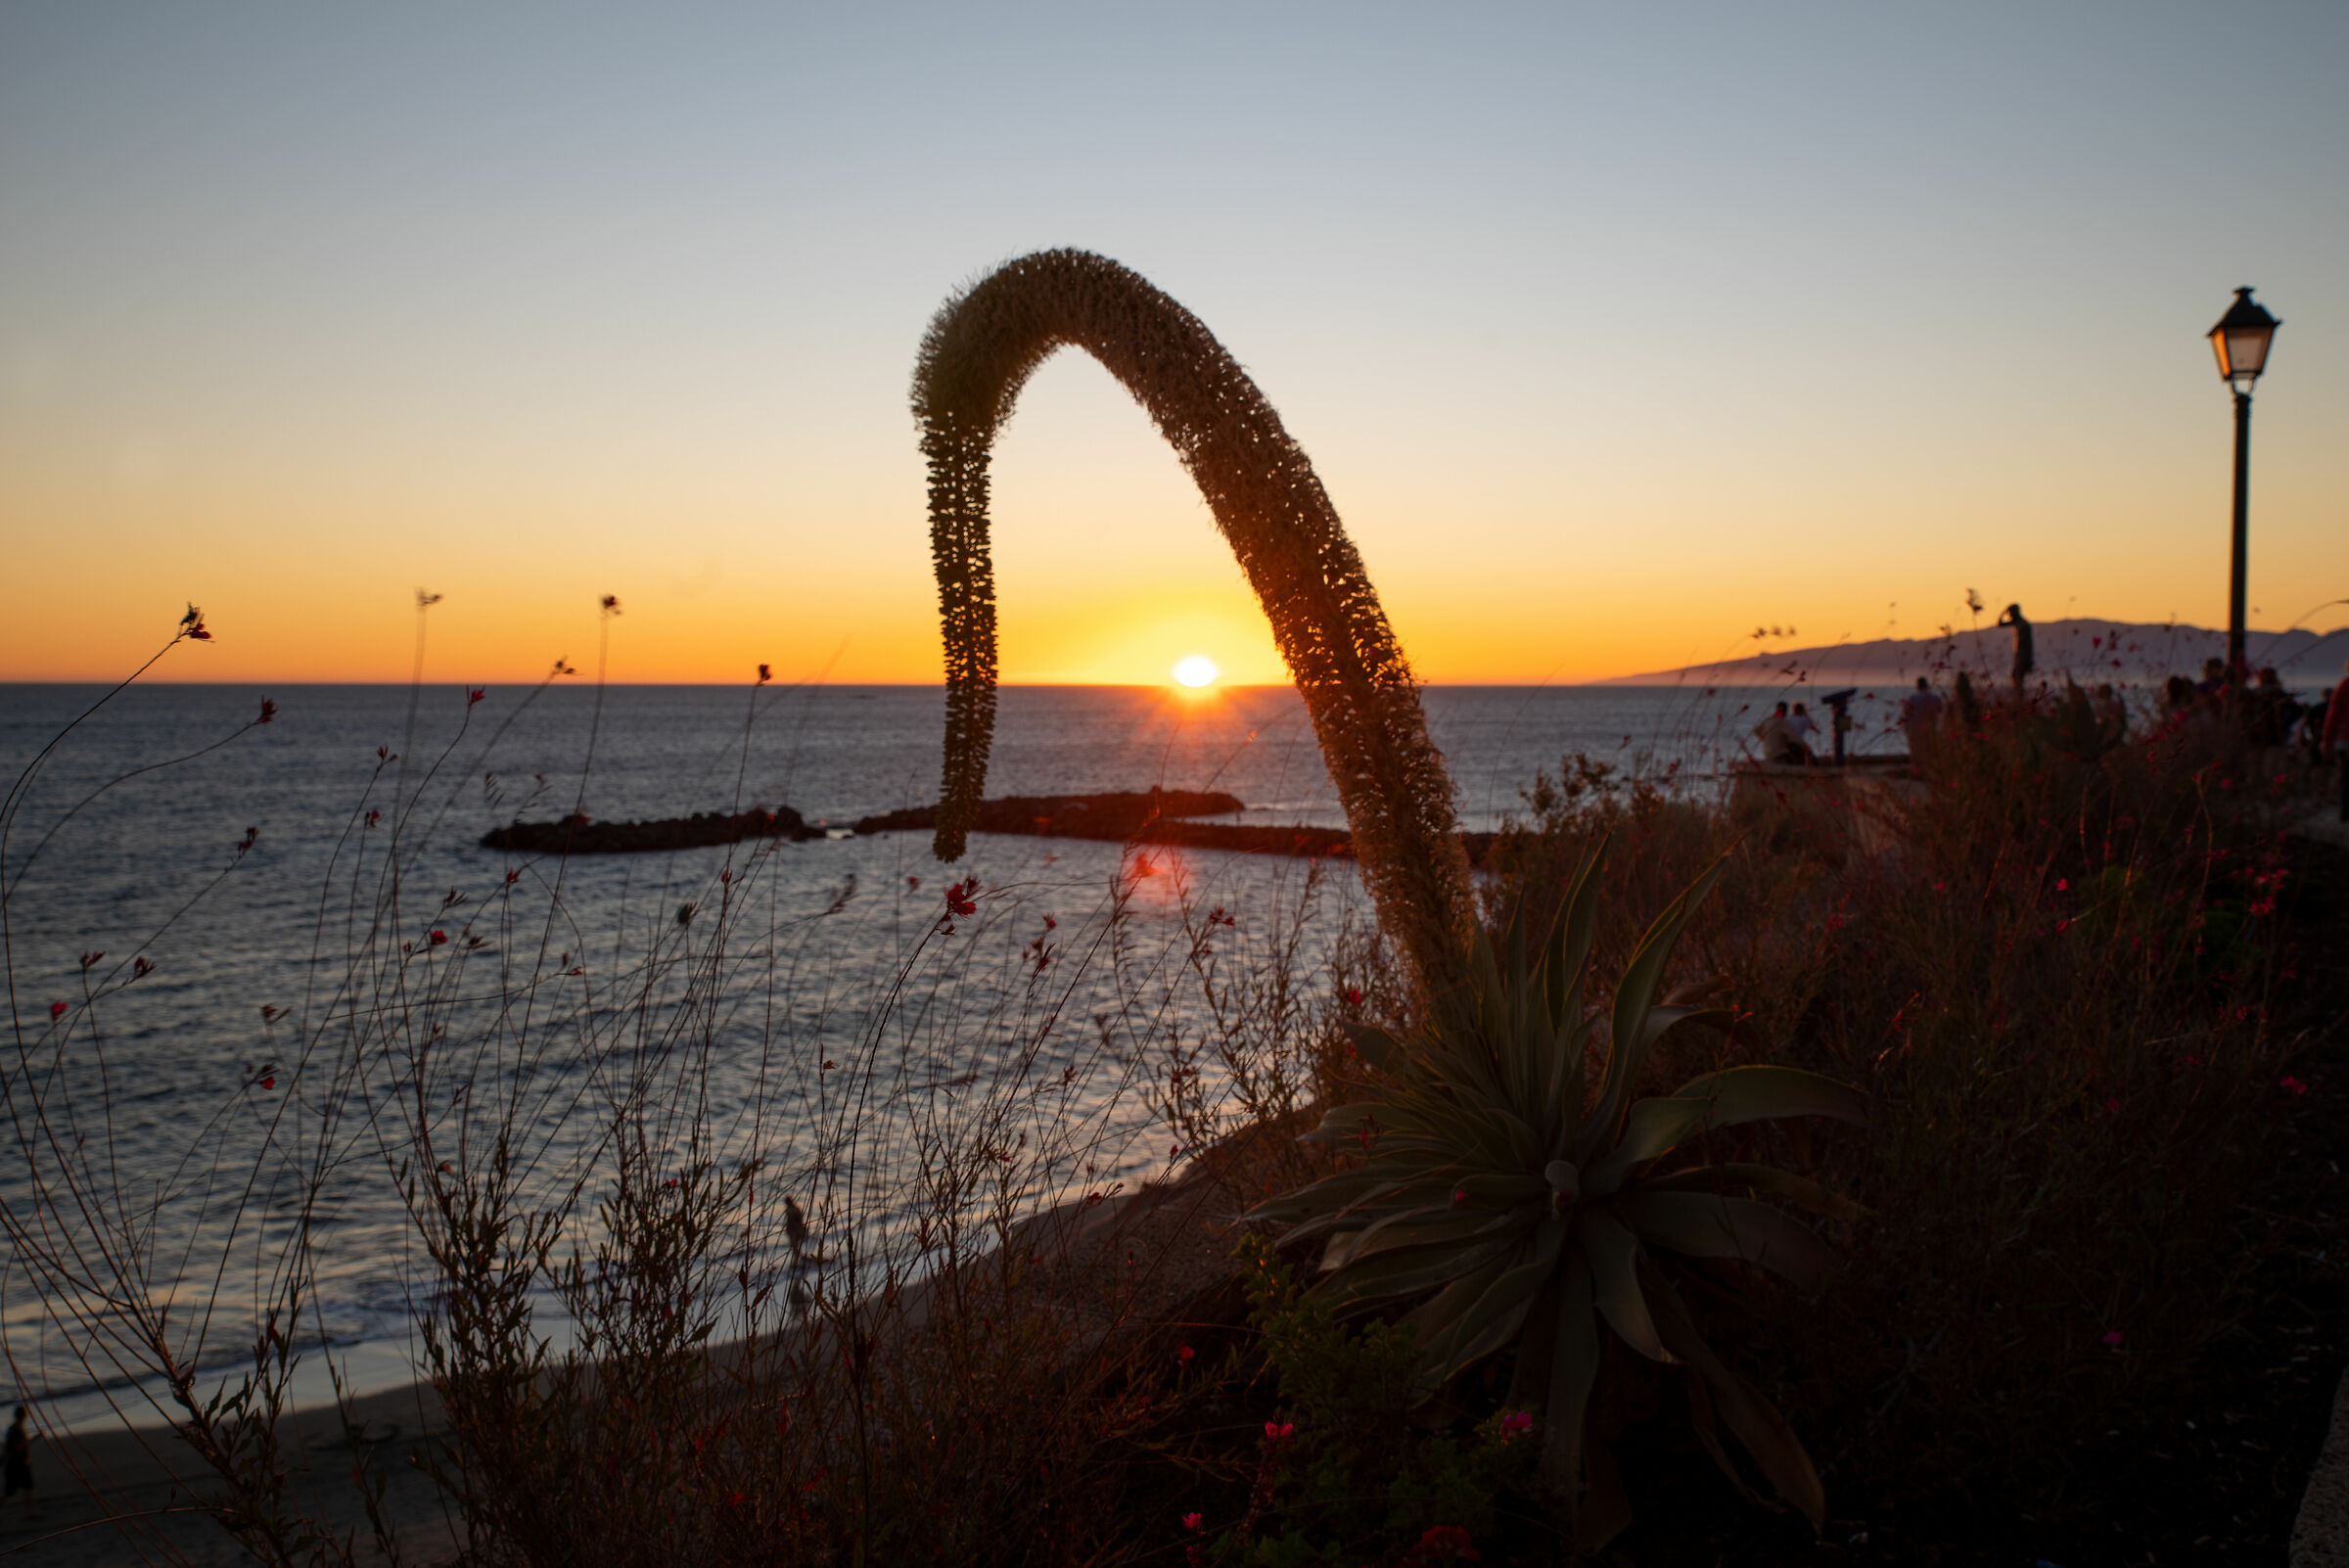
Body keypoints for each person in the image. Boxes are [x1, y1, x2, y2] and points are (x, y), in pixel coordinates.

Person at [2325, 663, 2349, 823]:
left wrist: (2328, 741)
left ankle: (2345, 813)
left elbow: (2333, 716)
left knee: (2346, 777)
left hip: (2346, 740)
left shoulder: (2344, 686)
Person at [1900, 677, 1945, 755]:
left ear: (1918, 686)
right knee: (1931, 751)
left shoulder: (1913, 698)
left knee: (1918, 751)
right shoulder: (1936, 698)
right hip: (1931, 728)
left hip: (1916, 729)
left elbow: (1906, 713)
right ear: (1927, 685)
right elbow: (1941, 712)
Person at [1997, 604, 2035, 690]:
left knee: (2017, 675)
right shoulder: (2016, 622)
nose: (2009, 615)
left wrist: (2028, 658)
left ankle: (2019, 696)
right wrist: (2004, 611)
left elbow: (2027, 643)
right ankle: (2018, 695)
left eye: (2010, 613)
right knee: (2016, 676)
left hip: (2023, 654)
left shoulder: (2023, 624)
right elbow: (1999, 624)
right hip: (2019, 653)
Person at [4, 1407, 32, 1518]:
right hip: (18, 1464)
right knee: (10, 1491)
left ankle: (29, 1512)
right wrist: (32, 1440)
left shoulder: (14, 1428)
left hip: (18, 1463)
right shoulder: (17, 1429)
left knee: (28, 1487)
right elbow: (18, 1447)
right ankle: (29, 1512)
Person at [1753, 701, 1796, 765]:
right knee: (1794, 757)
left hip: (1766, 753)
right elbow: (1793, 738)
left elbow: (1756, 730)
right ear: (1786, 711)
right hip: (1778, 754)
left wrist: (1763, 738)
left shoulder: (1768, 720)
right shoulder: (1783, 722)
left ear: (1776, 709)